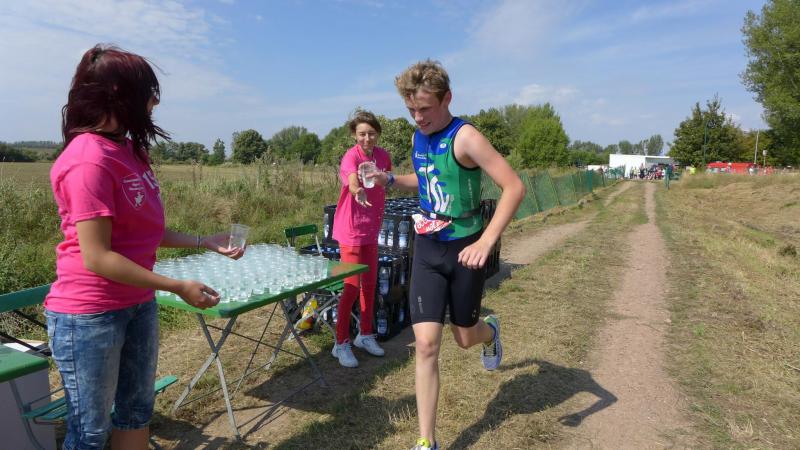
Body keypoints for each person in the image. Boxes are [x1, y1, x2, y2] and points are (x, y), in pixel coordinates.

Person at [45, 44, 243, 450]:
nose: (155, 102)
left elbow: (143, 230)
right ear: (119, 94)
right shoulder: (88, 160)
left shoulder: (130, 152)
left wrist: (204, 241)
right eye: (149, 92)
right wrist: (176, 286)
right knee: (90, 433)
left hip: (137, 305)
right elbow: (97, 256)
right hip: (91, 315)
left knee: (136, 412)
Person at [370, 59, 525, 450]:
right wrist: (390, 179)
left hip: (465, 249)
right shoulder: (417, 137)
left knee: (464, 336)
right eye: (411, 110)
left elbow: (514, 187)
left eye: (425, 108)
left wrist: (486, 241)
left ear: (447, 98)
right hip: (427, 247)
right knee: (425, 345)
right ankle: (427, 441)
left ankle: (489, 332)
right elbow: (425, 181)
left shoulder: (466, 137)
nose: (418, 117)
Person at [329, 110, 390, 367]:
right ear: (355, 135)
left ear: (377, 134)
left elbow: (386, 182)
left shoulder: (383, 156)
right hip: (351, 229)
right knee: (351, 288)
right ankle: (340, 342)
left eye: (371, 133)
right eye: (362, 134)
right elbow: (352, 179)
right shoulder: (350, 156)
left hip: (371, 228)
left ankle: (365, 335)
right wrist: (357, 191)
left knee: (370, 285)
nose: (367, 138)